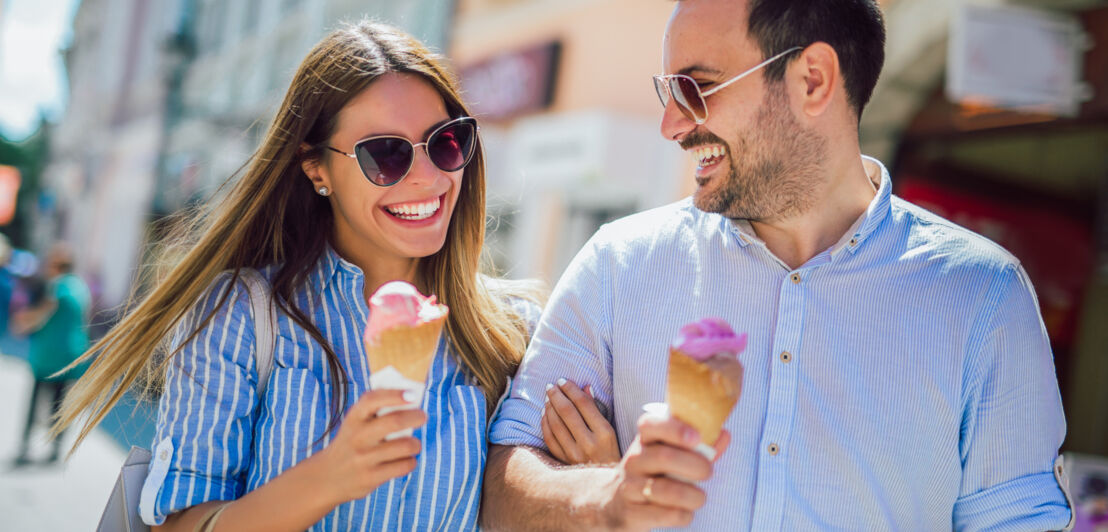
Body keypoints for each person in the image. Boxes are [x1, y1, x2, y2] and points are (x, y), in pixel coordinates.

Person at [481, 0, 1072, 530]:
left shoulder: (985, 297)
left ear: (811, 80)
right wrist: (602, 499)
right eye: (669, 93)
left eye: (696, 87)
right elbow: (502, 484)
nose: (672, 125)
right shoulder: (617, 266)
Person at [52, 21, 604, 532]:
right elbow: (176, 524)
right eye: (385, 155)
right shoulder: (242, 313)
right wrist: (328, 478)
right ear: (317, 168)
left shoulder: (514, 332)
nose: (428, 177)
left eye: (446, 142)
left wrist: (593, 482)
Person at [11, 243, 91, 466]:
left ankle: (25, 447)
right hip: (72, 354)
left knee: (36, 401)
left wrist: (22, 323)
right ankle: (55, 449)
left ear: (57, 266)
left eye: (50, 263)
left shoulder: (58, 286)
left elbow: (43, 313)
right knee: (59, 404)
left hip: (49, 356)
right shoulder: (80, 286)